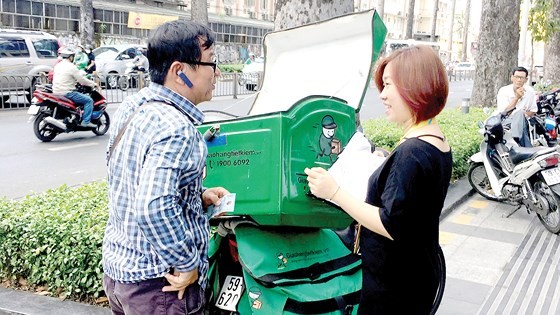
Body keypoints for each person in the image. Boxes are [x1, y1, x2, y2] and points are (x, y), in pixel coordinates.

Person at [305, 45, 452, 314]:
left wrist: (334, 191)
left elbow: (390, 223)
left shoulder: (413, 152)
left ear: (415, 86)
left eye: (388, 85)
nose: (382, 96)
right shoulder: (435, 140)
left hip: (395, 284)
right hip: (419, 272)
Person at [102, 20, 229, 314]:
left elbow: (130, 183)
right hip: (161, 287)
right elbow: (153, 206)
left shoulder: (132, 108)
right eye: (211, 63)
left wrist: (198, 195)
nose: (217, 73)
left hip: (121, 277)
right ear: (179, 71)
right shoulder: (177, 127)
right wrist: (187, 264)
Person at [52, 48, 97, 128]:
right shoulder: (71, 67)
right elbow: (82, 80)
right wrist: (93, 84)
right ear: (70, 57)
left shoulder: (57, 66)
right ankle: (86, 122)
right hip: (67, 93)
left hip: (56, 92)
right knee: (89, 100)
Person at [496, 66, 537, 147]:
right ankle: (526, 148)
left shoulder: (530, 91)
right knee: (519, 116)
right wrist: (516, 98)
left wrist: (522, 116)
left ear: (526, 80)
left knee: (520, 116)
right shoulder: (504, 91)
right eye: (517, 77)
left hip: (524, 122)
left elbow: (533, 110)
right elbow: (504, 113)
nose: (519, 80)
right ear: (512, 78)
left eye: (522, 78)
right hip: (506, 121)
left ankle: (519, 144)